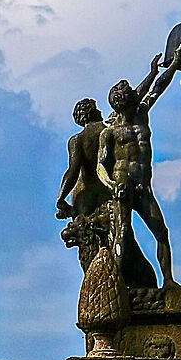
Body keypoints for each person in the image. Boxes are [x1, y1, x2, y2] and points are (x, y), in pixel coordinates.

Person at [94, 54, 179, 288]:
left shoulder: (141, 114)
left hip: (143, 185)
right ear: (122, 106)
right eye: (130, 105)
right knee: (122, 235)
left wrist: (171, 65)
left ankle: (169, 280)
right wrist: (112, 185)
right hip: (122, 183)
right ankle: (117, 286)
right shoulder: (109, 131)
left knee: (162, 232)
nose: (135, 107)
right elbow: (101, 165)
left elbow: (156, 89)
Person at [53, 98, 110, 271]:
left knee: (88, 245)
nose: (100, 111)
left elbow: (73, 171)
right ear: (89, 114)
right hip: (108, 193)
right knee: (114, 239)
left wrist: (61, 198)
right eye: (96, 108)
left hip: (84, 196)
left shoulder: (78, 140)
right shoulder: (109, 131)